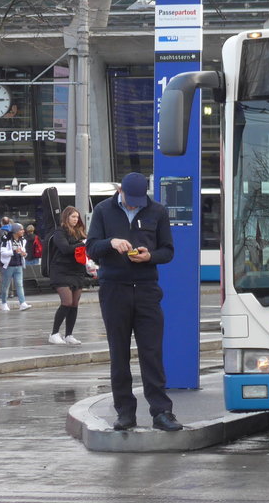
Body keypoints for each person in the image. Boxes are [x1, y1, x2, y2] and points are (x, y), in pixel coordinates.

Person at [86, 172, 183, 432]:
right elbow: (91, 248)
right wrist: (111, 242)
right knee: (119, 354)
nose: (134, 206)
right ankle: (125, 413)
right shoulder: (103, 210)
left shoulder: (157, 211)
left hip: (146, 289)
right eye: (131, 201)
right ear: (121, 191)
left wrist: (149, 256)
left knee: (152, 352)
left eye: (139, 201)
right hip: (114, 289)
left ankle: (162, 412)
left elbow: (168, 251)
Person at [46, 206, 89, 346]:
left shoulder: (80, 232)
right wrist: (81, 244)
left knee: (74, 304)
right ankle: (54, 333)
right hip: (61, 270)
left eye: (77, 217)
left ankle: (69, 334)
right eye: (73, 217)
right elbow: (65, 249)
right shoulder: (60, 231)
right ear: (66, 217)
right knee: (67, 302)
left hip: (77, 271)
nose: (76, 219)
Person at [0, 224, 31, 311]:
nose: (23, 231)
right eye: (21, 230)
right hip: (8, 265)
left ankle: (22, 303)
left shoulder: (22, 240)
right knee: (5, 285)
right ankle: (4, 303)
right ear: (15, 231)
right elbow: (2, 252)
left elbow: (23, 251)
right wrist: (13, 251)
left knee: (19, 284)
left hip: (18, 265)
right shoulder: (6, 240)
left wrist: (24, 254)